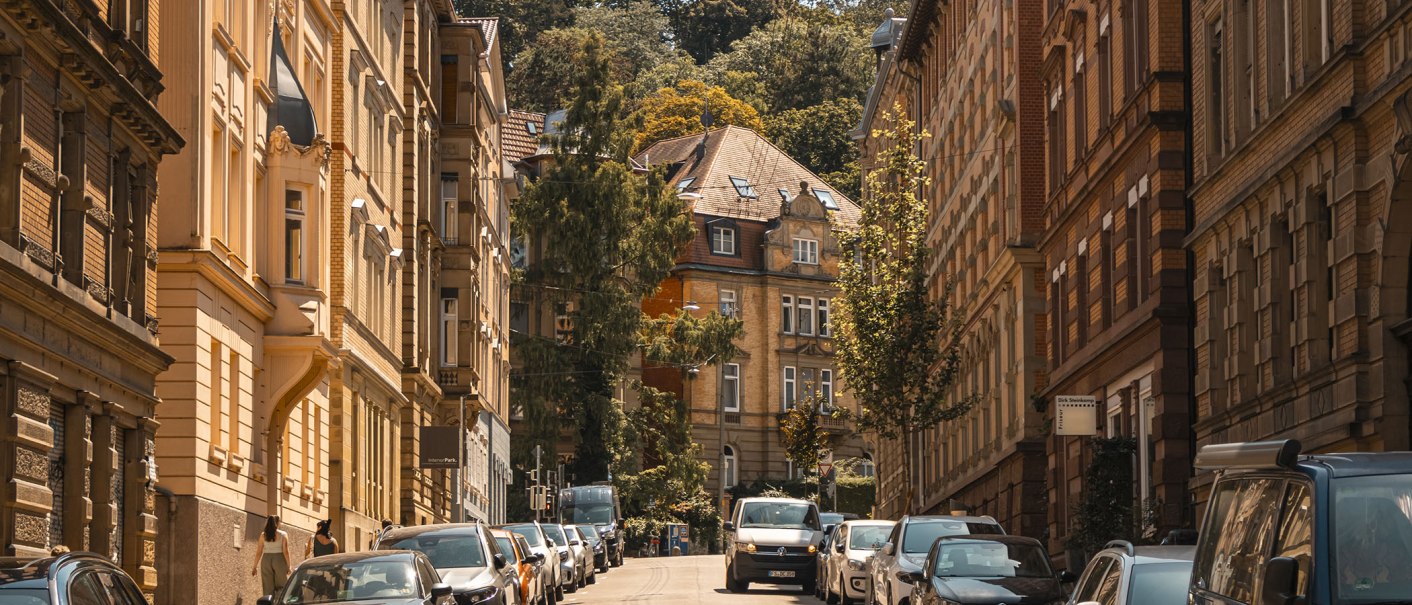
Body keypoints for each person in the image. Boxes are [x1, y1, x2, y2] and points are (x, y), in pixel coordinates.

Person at [251, 515, 291, 596]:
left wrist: (254, 566)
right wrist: (289, 566)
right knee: (282, 586)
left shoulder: (263, 535)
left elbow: (259, 552)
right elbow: (285, 551)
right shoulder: (283, 535)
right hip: (279, 560)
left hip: (266, 560)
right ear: (278, 523)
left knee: (267, 587)